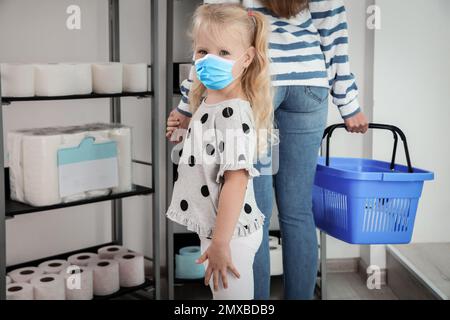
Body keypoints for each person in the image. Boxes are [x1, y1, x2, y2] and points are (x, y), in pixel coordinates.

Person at [167, 0, 369, 300]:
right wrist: (349, 104)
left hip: (259, 81)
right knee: (298, 210)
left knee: (251, 214)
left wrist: (186, 104)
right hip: (309, 83)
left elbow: (211, 36)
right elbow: (334, 35)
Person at [166, 3, 274, 300]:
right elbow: (211, 150)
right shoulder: (210, 101)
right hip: (219, 230)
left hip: (230, 235)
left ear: (247, 58)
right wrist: (185, 131)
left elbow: (236, 181)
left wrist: (221, 243)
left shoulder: (234, 113)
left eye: (224, 53)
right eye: (203, 51)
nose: (210, 60)